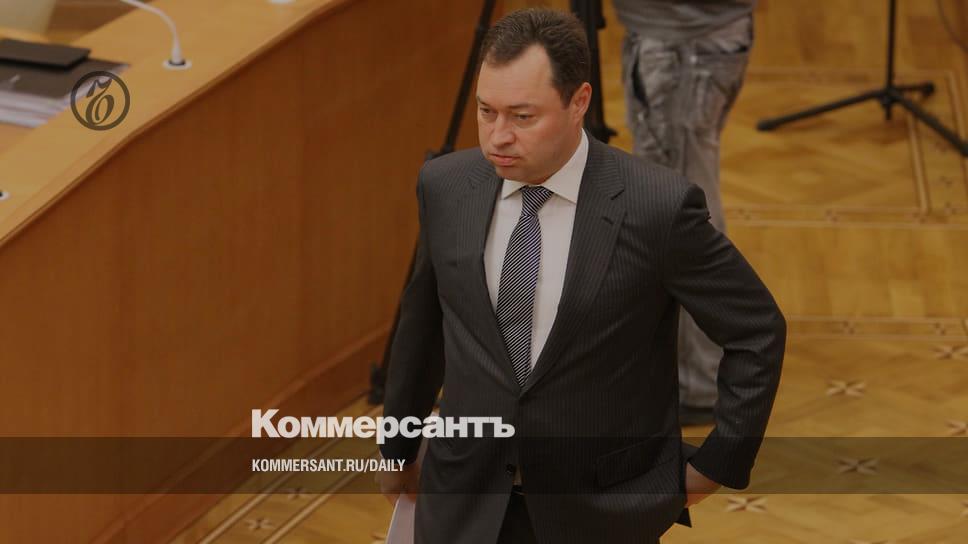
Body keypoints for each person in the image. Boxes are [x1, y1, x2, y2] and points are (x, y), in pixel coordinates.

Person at [377, 8, 784, 544]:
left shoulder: (656, 207)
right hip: (462, 499)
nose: (498, 136)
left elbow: (756, 330)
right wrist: (397, 449)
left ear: (579, 102)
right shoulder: (445, 186)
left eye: (523, 117)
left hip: (600, 514)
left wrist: (716, 464)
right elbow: (422, 330)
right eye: (486, 111)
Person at [613, 0, 756, 425]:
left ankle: (697, 381)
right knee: (680, 202)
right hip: (686, 40)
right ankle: (690, 368)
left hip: (683, 46)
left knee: (678, 212)